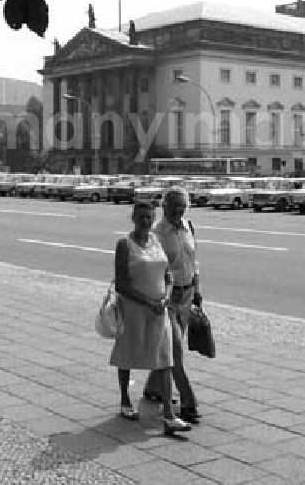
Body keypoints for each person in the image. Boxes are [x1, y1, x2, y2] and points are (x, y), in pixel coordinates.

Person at [110, 201, 190, 435]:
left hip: (159, 309)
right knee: (127, 354)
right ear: (133, 218)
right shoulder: (124, 245)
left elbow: (167, 274)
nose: (145, 221)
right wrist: (149, 302)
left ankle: (168, 414)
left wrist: (165, 297)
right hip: (135, 309)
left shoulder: (155, 240)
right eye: (141, 217)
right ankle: (125, 400)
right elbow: (122, 284)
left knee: (165, 358)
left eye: (149, 217)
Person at [142, 186, 201, 425]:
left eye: (182, 205)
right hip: (167, 299)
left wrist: (198, 289)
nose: (178, 210)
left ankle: (153, 388)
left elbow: (193, 260)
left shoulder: (188, 226)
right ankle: (189, 402)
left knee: (169, 348)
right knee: (175, 351)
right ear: (164, 207)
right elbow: (152, 269)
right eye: (174, 205)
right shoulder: (157, 233)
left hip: (187, 296)